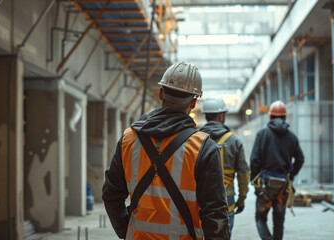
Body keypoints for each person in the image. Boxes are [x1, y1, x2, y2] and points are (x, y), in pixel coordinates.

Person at [102, 61, 230, 240]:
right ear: (193, 102)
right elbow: (216, 215)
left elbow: (111, 194)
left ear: (161, 93)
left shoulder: (129, 139)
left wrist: (126, 230)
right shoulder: (203, 148)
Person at [249, 100, 304, 240]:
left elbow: (254, 160)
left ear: (270, 117)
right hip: (283, 186)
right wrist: (291, 175)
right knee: (278, 222)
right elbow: (300, 159)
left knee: (260, 217)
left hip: (266, 185)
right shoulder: (292, 137)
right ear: (284, 117)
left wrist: (254, 181)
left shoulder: (262, 135)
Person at [199, 97, 250, 237]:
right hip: (226, 200)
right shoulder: (234, 141)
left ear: (205, 116)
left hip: (199, 198)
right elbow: (243, 173)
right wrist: (242, 198)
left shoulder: (196, 139)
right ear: (221, 116)